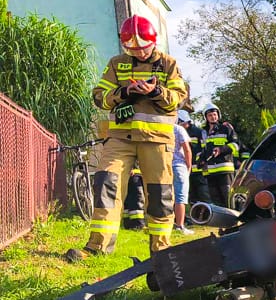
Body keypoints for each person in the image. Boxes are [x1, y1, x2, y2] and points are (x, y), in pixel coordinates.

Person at [65, 14, 187, 262]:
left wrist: (156, 91)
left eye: (144, 48)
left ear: (153, 41)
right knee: (105, 185)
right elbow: (99, 96)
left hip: (157, 140)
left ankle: (161, 251)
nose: (140, 53)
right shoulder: (116, 63)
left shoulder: (168, 64)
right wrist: (124, 91)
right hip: (120, 138)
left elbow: (179, 98)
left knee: (160, 194)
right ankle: (97, 248)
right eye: (133, 49)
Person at [200, 103, 239, 207]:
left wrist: (222, 149)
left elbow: (236, 145)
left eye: (215, 114)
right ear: (206, 117)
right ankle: (221, 221)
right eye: (210, 115)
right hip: (210, 172)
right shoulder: (203, 132)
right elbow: (203, 149)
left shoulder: (226, 128)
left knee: (228, 197)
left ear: (218, 115)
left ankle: (233, 220)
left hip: (225, 170)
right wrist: (201, 159)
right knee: (215, 199)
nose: (213, 117)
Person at [178, 109, 210, 208]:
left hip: (199, 168)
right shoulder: (181, 132)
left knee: (203, 193)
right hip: (187, 168)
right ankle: (196, 215)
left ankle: (207, 213)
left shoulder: (198, 132)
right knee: (191, 194)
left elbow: (204, 148)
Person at [172, 117, 193, 235]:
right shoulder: (178, 129)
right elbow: (187, 150)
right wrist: (189, 166)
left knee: (166, 197)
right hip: (179, 166)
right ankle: (180, 226)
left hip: (164, 167)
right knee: (180, 197)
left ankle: (167, 224)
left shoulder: (161, 129)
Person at [121, 166, 146, 230]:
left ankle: (128, 223)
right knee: (137, 198)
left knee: (129, 199)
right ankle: (138, 224)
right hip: (134, 174)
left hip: (134, 174)